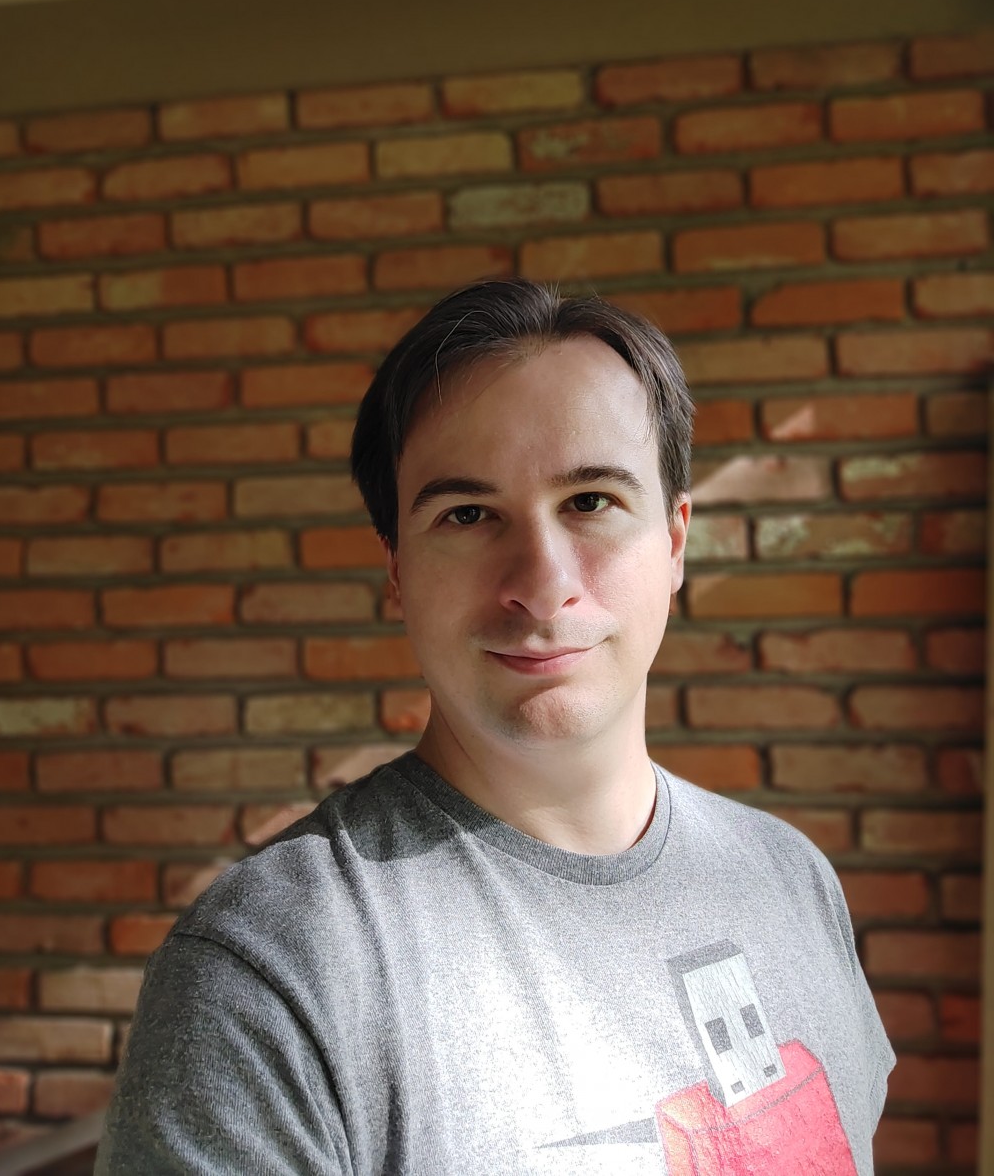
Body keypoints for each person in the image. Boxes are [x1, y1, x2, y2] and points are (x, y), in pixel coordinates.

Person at [96, 277, 893, 1175]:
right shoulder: (270, 971)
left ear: (674, 541)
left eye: (591, 500)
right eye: (468, 514)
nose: (542, 581)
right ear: (397, 571)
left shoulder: (792, 881)